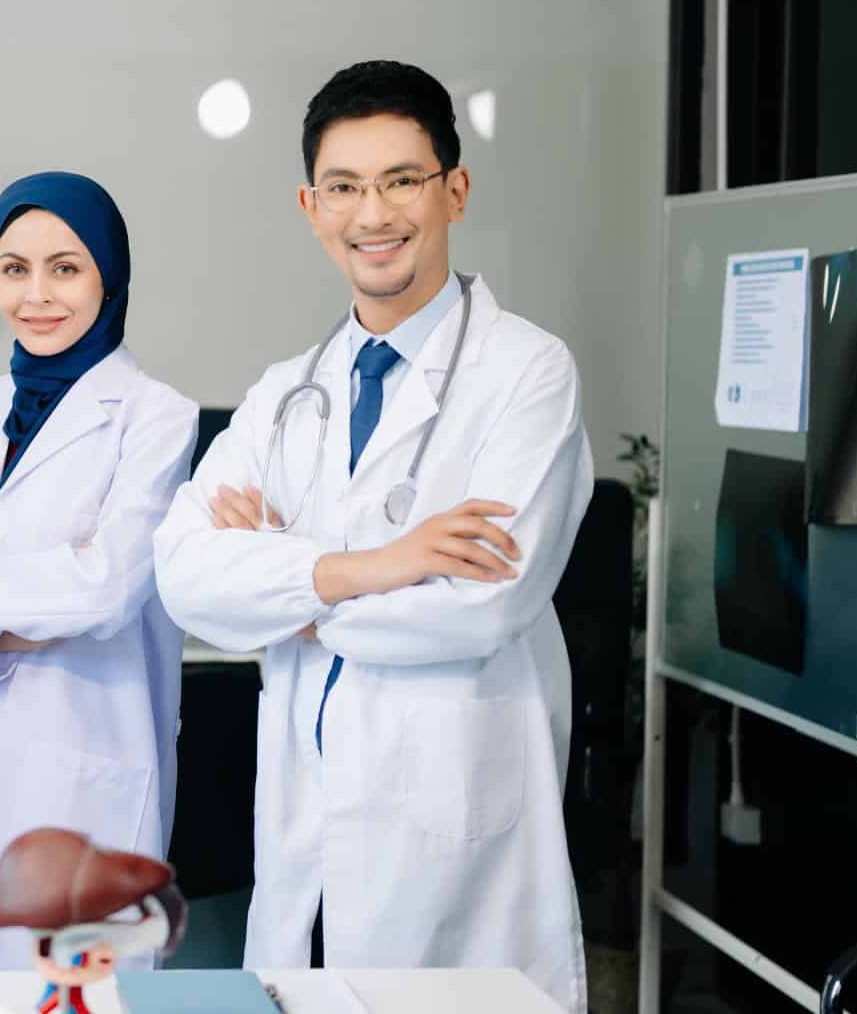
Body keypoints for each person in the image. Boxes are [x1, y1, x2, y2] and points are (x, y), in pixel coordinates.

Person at [153, 61, 591, 1012]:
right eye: (345, 187)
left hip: (453, 829)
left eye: (402, 180)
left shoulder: (527, 373)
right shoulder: (285, 392)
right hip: (305, 832)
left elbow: (482, 602)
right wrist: (377, 569)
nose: (373, 213)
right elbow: (185, 574)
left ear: (454, 191)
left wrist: (289, 597)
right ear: (313, 207)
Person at [0, 171, 198, 969]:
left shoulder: (157, 418)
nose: (38, 294)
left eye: (66, 267)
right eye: (14, 269)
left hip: (81, 783)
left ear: (108, 278)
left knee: (69, 989)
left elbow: (106, 588)